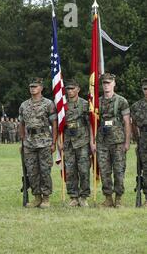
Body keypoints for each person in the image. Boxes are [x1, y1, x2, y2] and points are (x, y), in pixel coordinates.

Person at [19, 77, 58, 208]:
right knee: (32, 171)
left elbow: (54, 123)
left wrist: (53, 142)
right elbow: (22, 124)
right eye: (31, 86)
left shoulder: (48, 104)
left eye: (35, 86)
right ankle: (37, 197)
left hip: (44, 141)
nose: (32, 88)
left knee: (45, 170)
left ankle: (46, 197)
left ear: (41, 88)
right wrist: (23, 141)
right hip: (29, 143)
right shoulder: (24, 105)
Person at [96, 73, 131, 208]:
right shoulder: (97, 102)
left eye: (109, 83)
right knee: (104, 171)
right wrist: (94, 142)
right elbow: (93, 123)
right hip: (102, 142)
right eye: (104, 83)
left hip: (118, 142)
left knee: (119, 171)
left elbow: (127, 122)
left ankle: (119, 198)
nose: (106, 85)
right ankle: (108, 198)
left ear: (114, 84)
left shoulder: (121, 101)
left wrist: (127, 142)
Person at [61, 79, 93, 207]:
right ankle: (73, 196)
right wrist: (59, 141)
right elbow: (60, 126)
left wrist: (92, 141)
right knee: (70, 171)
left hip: (82, 142)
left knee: (84, 170)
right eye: (68, 89)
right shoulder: (62, 106)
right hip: (68, 143)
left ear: (78, 89)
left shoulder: (85, 105)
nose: (70, 91)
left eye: (72, 88)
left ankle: (83, 196)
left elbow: (90, 124)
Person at [130, 78, 147, 207]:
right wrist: (137, 141)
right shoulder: (136, 106)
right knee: (145, 170)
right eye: (145, 89)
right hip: (144, 140)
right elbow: (133, 125)